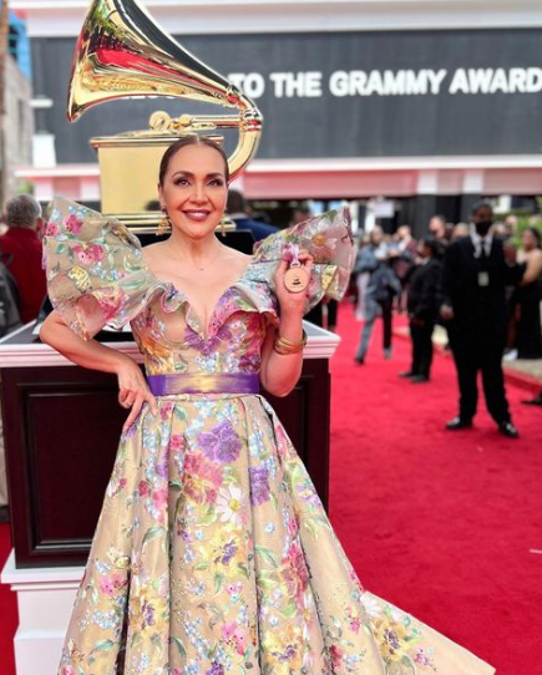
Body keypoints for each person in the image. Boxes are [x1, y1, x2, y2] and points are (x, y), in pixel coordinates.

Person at [41, 137, 494, 675]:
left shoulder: (258, 270)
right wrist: (121, 364)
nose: (199, 195)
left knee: (261, 584)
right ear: (161, 192)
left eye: (213, 182)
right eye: (183, 181)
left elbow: (278, 383)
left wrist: (293, 311)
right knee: (174, 579)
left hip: (248, 453)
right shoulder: (133, 268)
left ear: (226, 192)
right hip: (163, 451)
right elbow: (55, 329)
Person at [441, 201, 523, 438]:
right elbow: (446, 282)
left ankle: (503, 418)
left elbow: (512, 279)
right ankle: (465, 414)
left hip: (492, 324)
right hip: (463, 323)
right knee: (466, 373)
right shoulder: (458, 248)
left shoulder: (501, 247)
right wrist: (446, 304)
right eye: (481, 216)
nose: (485, 220)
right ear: (472, 218)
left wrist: (512, 262)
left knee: (493, 373)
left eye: (489, 216)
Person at [354, 226, 400, 364]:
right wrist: (376, 259)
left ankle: (387, 349)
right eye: (374, 234)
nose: (377, 237)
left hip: (388, 289)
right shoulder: (366, 251)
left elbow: (407, 256)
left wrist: (395, 254)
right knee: (368, 321)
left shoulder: (389, 246)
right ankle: (361, 353)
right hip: (372, 291)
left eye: (379, 234)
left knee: (388, 322)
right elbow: (358, 267)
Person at [399, 238, 442, 383]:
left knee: (424, 342)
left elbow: (429, 292)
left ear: (429, 249)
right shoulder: (421, 264)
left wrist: (419, 312)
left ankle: (424, 372)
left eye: (422, 246)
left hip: (424, 312)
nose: (418, 248)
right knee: (416, 341)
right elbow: (406, 278)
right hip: (415, 310)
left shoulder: (434, 266)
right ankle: (415, 368)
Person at [0, 194, 47, 324]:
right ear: (39, 223)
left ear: (5, 219)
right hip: (43, 330)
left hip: (6, 331)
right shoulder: (51, 252)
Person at [514, 227, 542, 359]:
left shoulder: (537, 254)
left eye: (530, 237)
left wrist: (513, 281)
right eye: (524, 236)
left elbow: (529, 277)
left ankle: (530, 350)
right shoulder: (520, 252)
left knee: (529, 320)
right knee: (517, 321)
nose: (526, 239)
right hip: (517, 292)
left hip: (530, 293)